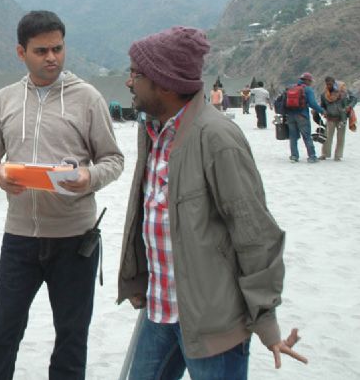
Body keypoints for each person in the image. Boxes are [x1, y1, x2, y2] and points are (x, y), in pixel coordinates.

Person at [118, 26, 307, 379]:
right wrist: (136, 279)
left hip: (214, 322)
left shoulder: (217, 138)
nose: (129, 82)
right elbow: (150, 216)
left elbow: (255, 233)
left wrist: (266, 320)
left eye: (136, 74)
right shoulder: (154, 131)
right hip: (160, 309)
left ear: (165, 83)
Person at [0, 11, 124, 379]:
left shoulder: (88, 98)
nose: (52, 57)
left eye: (58, 48)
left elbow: (113, 159)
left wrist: (88, 176)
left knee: (71, 335)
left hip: (75, 239)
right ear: (21, 52)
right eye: (41, 51)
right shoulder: (5, 99)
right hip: (20, 238)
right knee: (2, 332)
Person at [285, 72, 325, 163]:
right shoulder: (307, 89)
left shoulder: (291, 87)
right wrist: (322, 111)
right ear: (307, 80)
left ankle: (294, 156)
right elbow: (312, 103)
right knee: (307, 136)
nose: (311, 83)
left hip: (290, 115)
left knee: (293, 137)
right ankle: (312, 156)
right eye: (310, 81)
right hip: (302, 115)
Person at [319, 77, 357, 161]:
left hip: (342, 118)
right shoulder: (324, 94)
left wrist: (349, 106)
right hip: (330, 118)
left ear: (334, 83)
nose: (329, 86)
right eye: (327, 84)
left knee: (340, 138)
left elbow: (354, 98)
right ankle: (324, 154)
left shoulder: (343, 91)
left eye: (330, 84)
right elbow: (322, 106)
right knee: (327, 137)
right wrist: (323, 111)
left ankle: (338, 156)